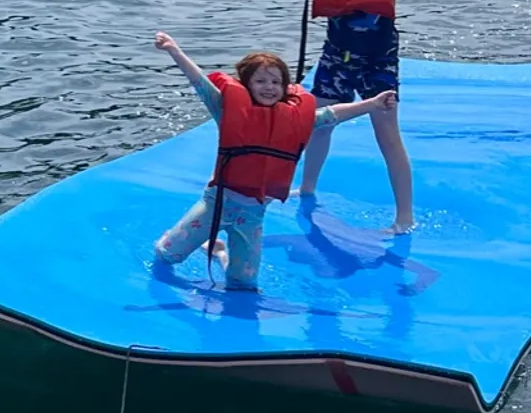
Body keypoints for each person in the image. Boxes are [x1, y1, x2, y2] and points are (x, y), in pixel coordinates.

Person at [260, 0, 458, 232]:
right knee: (318, 123)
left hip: (378, 52)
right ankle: (308, 187)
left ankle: (404, 217)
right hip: (337, 48)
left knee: (386, 134)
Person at [150, 36, 396, 291]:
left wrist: (372, 104)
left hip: (253, 213)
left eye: (276, 82)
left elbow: (332, 115)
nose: (269, 87)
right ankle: (180, 240)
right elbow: (200, 83)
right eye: (260, 81)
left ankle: (220, 252)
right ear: (246, 85)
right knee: (166, 254)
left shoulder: (294, 120)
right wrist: (174, 51)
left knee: (243, 283)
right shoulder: (226, 110)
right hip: (216, 204)